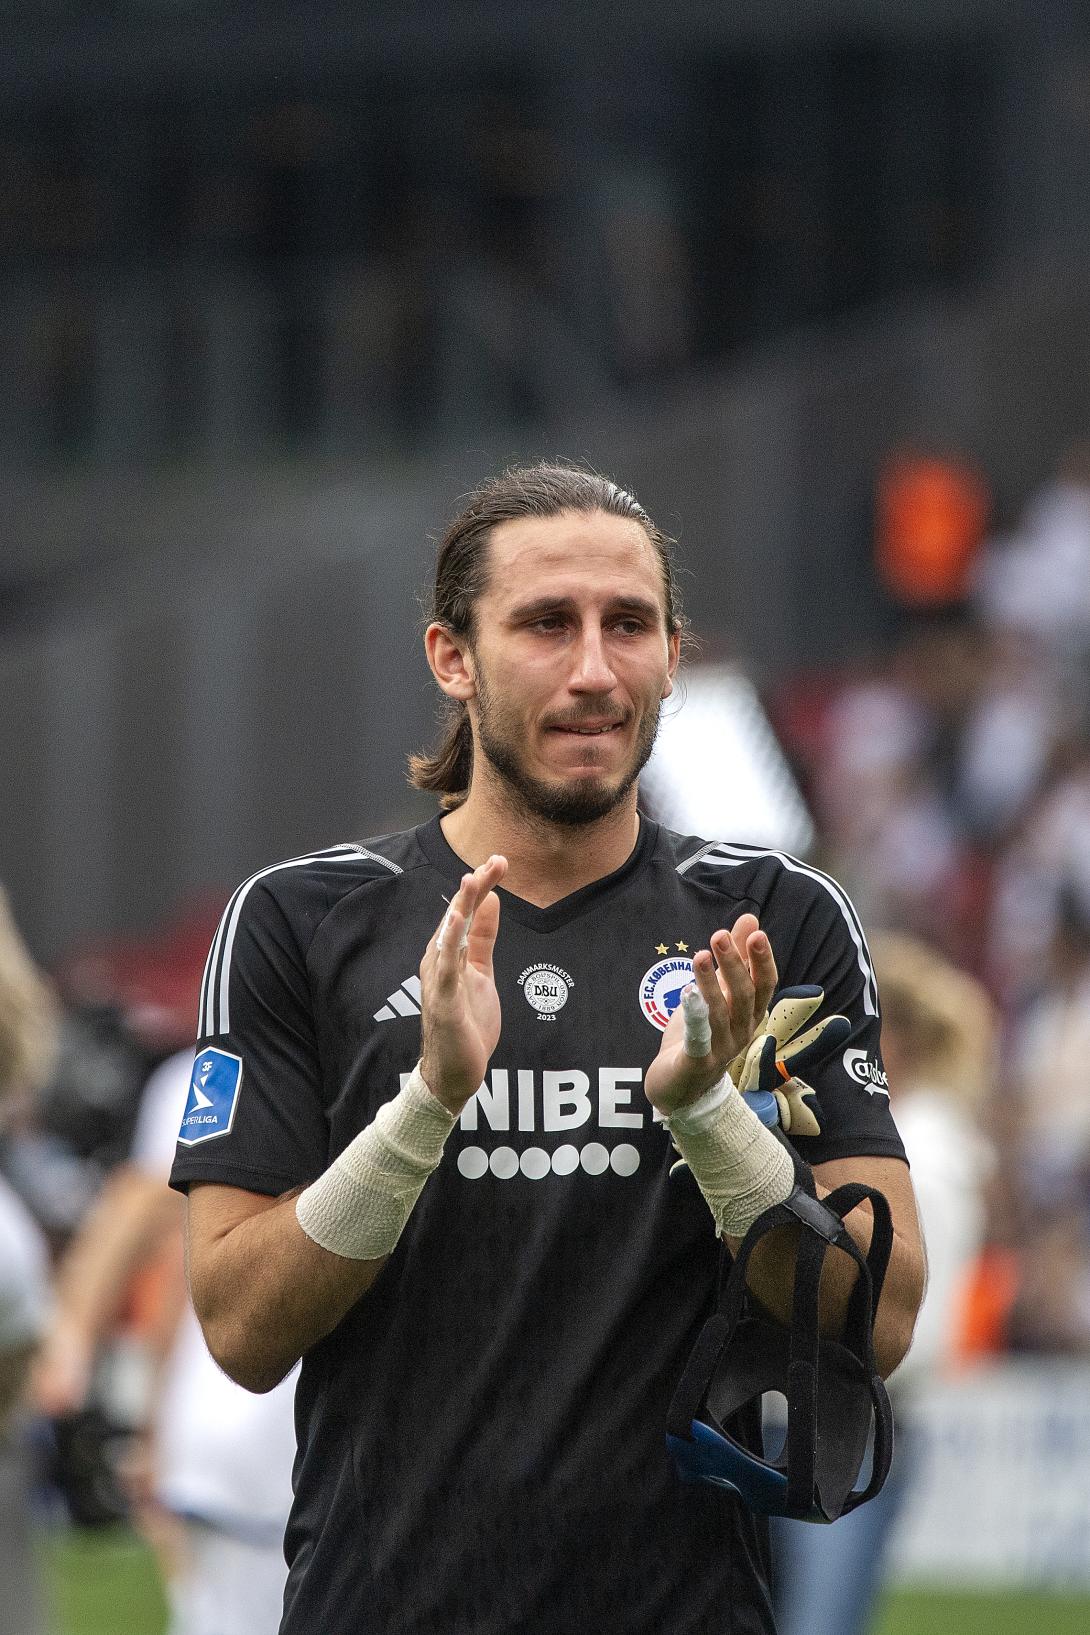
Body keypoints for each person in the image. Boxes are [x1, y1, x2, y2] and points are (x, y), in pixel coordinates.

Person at [172, 464, 925, 1635]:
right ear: (452, 658)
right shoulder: (302, 922)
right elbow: (241, 1330)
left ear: (670, 657)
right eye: (544, 624)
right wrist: (426, 1106)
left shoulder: (775, 921)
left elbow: (876, 1324)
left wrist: (710, 1120)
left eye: (628, 624)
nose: (592, 670)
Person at [771, 932, 995, 1635]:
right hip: (834, 1416)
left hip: (850, 1419)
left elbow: (918, 1328)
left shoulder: (923, 1152)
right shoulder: (916, 1142)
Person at [35, 1046, 297, 1635]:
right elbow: (155, 1214)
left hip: (242, 1443)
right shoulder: (221, 1062)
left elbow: (160, 1224)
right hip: (263, 1445)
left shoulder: (223, 1058)